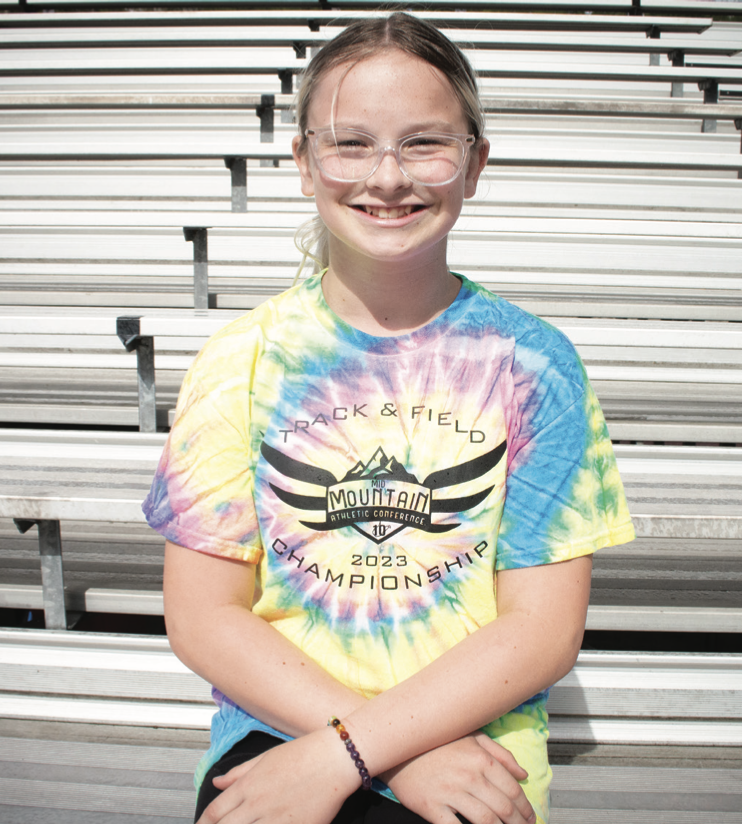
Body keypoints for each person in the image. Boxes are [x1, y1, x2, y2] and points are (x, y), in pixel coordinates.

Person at [144, 13, 634, 824]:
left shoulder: (534, 365)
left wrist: (360, 750)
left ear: (474, 164)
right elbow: (203, 612)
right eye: (350, 142)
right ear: (303, 163)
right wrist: (355, 748)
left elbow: (542, 632)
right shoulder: (241, 360)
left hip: (472, 747)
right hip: (276, 734)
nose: (387, 176)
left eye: (423, 143)